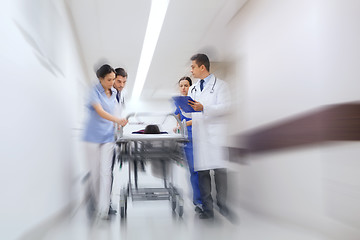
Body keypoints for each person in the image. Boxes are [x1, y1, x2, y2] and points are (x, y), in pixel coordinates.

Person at [187, 53, 231, 219]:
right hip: (201, 135)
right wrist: (184, 107)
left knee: (219, 171)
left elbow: (226, 107)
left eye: (193, 67)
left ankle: (222, 204)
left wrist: (204, 108)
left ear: (202, 67)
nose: (191, 70)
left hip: (215, 134)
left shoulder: (221, 86)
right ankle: (208, 209)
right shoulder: (193, 88)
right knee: (203, 173)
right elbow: (191, 112)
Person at [83, 64, 128, 219]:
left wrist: (119, 128)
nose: (115, 83)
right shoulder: (94, 91)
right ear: (101, 79)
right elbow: (101, 112)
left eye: (115, 79)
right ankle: (95, 205)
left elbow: (117, 114)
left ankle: (104, 208)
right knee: (95, 174)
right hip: (93, 137)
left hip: (109, 137)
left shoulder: (116, 93)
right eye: (112, 80)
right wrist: (118, 120)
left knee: (106, 173)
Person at [174, 76, 203, 213]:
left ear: (190, 87)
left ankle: (201, 200)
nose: (184, 88)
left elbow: (199, 118)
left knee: (199, 170)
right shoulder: (178, 104)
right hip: (186, 138)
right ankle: (197, 201)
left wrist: (183, 125)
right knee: (192, 170)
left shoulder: (194, 101)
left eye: (186, 85)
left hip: (197, 136)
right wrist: (177, 127)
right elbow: (177, 119)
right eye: (181, 86)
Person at [108, 67, 128, 215]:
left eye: (124, 82)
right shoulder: (106, 94)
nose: (121, 85)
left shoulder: (120, 96)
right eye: (119, 81)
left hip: (113, 138)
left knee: (109, 172)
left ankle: (106, 203)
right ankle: (102, 204)